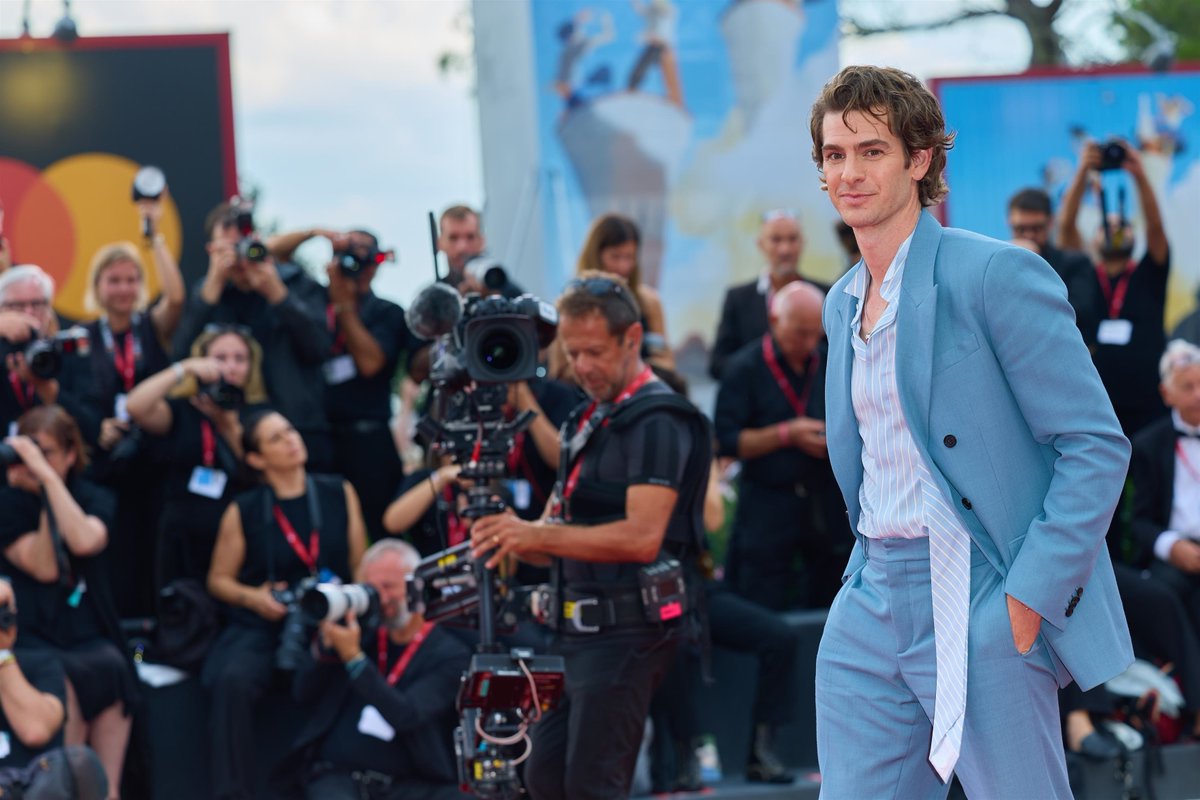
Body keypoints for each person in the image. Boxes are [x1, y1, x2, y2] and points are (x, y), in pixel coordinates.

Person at [809, 65, 1132, 798]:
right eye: (834, 155)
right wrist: (860, 587)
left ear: (919, 160)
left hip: (981, 586)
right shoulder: (839, 304)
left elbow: (1095, 445)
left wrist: (1025, 600)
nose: (848, 173)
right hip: (869, 596)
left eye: (871, 151)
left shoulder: (996, 274)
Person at [469, 272, 712, 800]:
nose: (581, 367)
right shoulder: (594, 413)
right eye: (573, 353)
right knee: (544, 777)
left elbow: (641, 539)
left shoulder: (657, 419)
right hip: (575, 632)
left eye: (594, 352)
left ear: (631, 338)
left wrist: (533, 537)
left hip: (627, 634)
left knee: (590, 785)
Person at [202, 409, 368, 800]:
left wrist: (349, 603)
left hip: (330, 613)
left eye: (291, 430)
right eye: (276, 438)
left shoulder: (337, 491)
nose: (292, 439)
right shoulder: (243, 509)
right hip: (266, 621)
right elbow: (218, 580)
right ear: (257, 459)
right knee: (232, 680)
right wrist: (254, 597)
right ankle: (233, 792)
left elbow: (360, 563)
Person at [0, 406, 136, 798]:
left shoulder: (93, 495)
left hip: (88, 630)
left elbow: (86, 541)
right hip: (32, 638)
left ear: (71, 454)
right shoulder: (7, 504)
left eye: (48, 452)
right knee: (63, 680)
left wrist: (48, 481)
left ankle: (109, 791)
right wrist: (41, 492)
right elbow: (43, 567)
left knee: (116, 666)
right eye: (30, 452)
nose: (35, 462)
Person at [272, 538, 472, 799]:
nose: (382, 598)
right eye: (372, 589)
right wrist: (324, 647)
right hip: (338, 777)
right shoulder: (362, 632)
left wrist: (355, 659)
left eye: (389, 587)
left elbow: (407, 715)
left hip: (410, 785)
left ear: (416, 587)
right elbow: (303, 692)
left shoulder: (450, 655)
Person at [269, 226, 412, 540]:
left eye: (363, 259)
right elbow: (270, 254)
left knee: (381, 528)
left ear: (376, 265)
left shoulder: (388, 312)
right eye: (347, 257)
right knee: (326, 529)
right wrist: (316, 232)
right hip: (319, 438)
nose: (354, 267)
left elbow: (370, 363)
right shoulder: (313, 298)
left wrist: (344, 306)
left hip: (369, 442)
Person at [714, 281, 848, 611]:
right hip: (766, 505)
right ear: (774, 320)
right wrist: (786, 434)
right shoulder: (743, 368)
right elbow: (728, 441)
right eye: (800, 333)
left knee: (829, 603)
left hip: (824, 504)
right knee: (762, 603)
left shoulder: (831, 360)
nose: (809, 343)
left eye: (816, 334)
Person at [172, 201, 334, 471]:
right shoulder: (207, 294)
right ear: (212, 250)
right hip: (227, 437)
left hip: (299, 432)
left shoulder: (295, 282)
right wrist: (211, 290)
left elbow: (319, 348)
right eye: (227, 249)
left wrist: (277, 294)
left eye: (242, 246)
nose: (237, 257)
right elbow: (180, 358)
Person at [81, 229, 185, 617]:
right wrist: (98, 428)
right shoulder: (83, 338)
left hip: (155, 464)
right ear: (98, 286)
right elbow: (70, 400)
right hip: (109, 468)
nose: (123, 289)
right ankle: (128, 649)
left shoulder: (151, 329)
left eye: (131, 280)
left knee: (153, 560)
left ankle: (149, 648)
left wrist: (153, 234)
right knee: (116, 561)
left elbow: (175, 297)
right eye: (114, 280)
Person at [126, 326, 268, 589]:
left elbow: (262, 469)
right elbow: (135, 406)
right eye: (220, 358)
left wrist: (227, 425)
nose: (230, 367)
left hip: (238, 532)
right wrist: (185, 369)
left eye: (240, 359)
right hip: (183, 534)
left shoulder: (258, 413)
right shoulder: (184, 408)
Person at [1057, 138, 1171, 437]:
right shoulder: (1084, 273)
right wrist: (1083, 170)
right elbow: (1066, 229)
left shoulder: (1150, 272)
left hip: (1149, 404)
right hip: (1097, 403)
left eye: (1124, 225)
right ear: (1094, 238)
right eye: (1107, 225)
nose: (1115, 230)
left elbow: (1156, 227)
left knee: (1151, 482)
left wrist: (1138, 174)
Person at [709, 210, 827, 380]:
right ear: (760, 244)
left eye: (792, 239)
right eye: (776, 240)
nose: (785, 249)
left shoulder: (826, 295)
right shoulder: (738, 299)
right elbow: (718, 364)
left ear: (802, 243)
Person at [0, 266, 99, 444]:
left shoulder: (68, 350)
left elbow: (92, 431)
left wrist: (50, 391)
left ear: (49, 309)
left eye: (37, 304)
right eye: (16, 305)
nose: (28, 313)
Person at [574, 213, 674, 370]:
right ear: (595, 255)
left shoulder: (649, 303)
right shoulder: (572, 305)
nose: (623, 266)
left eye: (629, 257)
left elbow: (666, 363)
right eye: (615, 257)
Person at [1005, 187, 1101, 346]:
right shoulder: (999, 266)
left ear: (1050, 222)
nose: (1029, 235)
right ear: (1008, 222)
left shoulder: (1075, 263)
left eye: (1036, 228)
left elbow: (1079, 312)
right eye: (1020, 229)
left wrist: (1033, 263)